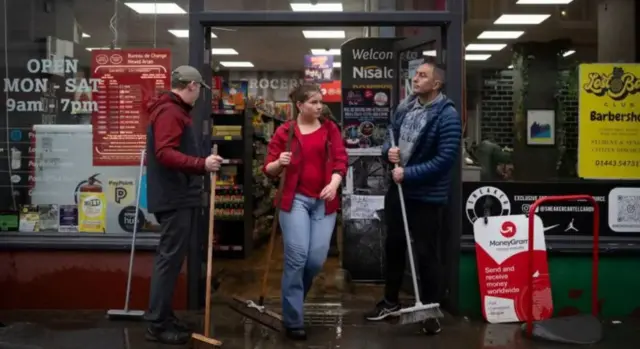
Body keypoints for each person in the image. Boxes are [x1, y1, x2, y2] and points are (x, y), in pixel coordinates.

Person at [363, 62, 462, 335]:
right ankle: (391, 302)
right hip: (398, 191)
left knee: (426, 254)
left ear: (437, 84)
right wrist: (388, 153)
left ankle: (430, 310)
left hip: (426, 196)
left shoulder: (447, 115)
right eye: (415, 74)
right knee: (394, 248)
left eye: (422, 76)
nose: (415, 79)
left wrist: (408, 173)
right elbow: (389, 139)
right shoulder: (405, 107)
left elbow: (445, 161)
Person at [144, 65, 223, 345]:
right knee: (169, 259)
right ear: (191, 85)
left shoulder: (173, 110)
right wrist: (201, 164)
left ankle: (163, 315)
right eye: (200, 88)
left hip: (177, 195)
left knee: (173, 259)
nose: (200, 94)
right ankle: (157, 322)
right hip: (174, 196)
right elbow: (165, 152)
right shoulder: (170, 112)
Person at [263, 83, 348, 341]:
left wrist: (334, 184)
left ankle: (295, 294)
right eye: (313, 102)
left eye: (320, 102)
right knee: (297, 257)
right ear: (300, 105)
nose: (319, 106)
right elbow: (268, 168)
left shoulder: (330, 129)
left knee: (315, 260)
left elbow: (341, 160)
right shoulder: (285, 131)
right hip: (295, 200)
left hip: (324, 200)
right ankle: (293, 318)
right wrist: (280, 163)